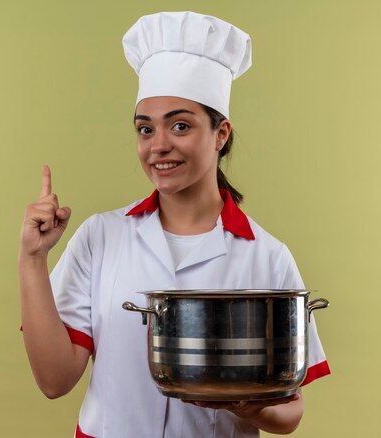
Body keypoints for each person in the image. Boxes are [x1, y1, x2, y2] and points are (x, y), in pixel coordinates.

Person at [18, 11, 330, 438]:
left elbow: (290, 413)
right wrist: (32, 259)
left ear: (221, 134)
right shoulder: (100, 236)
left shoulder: (266, 255)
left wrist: (244, 405)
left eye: (180, 125)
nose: (158, 146)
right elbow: (54, 381)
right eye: (145, 129)